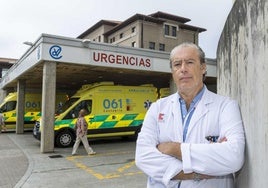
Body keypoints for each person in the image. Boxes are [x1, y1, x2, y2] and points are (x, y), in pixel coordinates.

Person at [135, 42, 245, 188]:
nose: (183, 69)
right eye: (177, 64)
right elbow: (143, 157)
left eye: (190, 62)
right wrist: (199, 172)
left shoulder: (225, 106)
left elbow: (234, 157)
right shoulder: (157, 108)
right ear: (172, 71)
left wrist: (174, 149)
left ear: (203, 67)